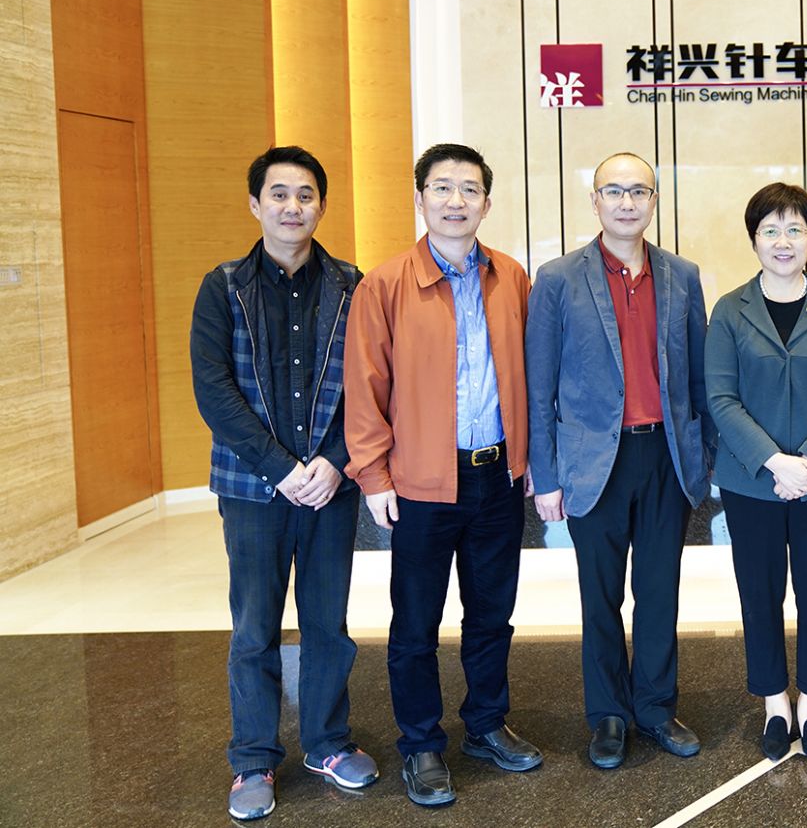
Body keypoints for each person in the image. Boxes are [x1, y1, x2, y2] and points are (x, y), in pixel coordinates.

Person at [344, 144, 541, 807]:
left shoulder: (511, 277)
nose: (456, 200)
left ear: (487, 201)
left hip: (496, 477)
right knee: (416, 624)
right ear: (420, 198)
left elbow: (531, 376)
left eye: (469, 189)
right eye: (442, 187)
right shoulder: (385, 283)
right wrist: (373, 475)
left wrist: (530, 460)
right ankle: (422, 743)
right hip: (421, 484)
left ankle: (485, 723)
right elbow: (364, 386)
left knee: (491, 615)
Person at [190, 146, 376, 821]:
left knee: (328, 622)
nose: (292, 206)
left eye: (305, 195)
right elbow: (214, 390)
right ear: (255, 204)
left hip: (330, 486)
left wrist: (334, 461)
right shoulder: (224, 286)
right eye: (279, 194)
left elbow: (370, 383)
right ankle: (253, 758)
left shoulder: (353, 284)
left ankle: (327, 743)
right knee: (254, 628)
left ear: (321, 205)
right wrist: (281, 468)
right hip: (252, 489)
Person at [525, 152, 715, 770]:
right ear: (595, 200)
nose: (627, 202)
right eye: (614, 191)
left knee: (659, 592)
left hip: (666, 456)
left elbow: (700, 376)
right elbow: (538, 388)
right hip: (593, 464)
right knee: (600, 596)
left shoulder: (682, 275)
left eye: (639, 191)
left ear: (654, 201)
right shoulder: (557, 279)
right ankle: (608, 714)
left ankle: (655, 708)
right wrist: (546, 476)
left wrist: (704, 456)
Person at [705, 183, 807, 763]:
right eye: (770, 230)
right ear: (754, 240)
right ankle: (775, 704)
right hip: (752, 482)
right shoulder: (730, 310)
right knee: (760, 592)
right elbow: (720, 398)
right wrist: (775, 462)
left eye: (795, 229)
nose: (783, 241)